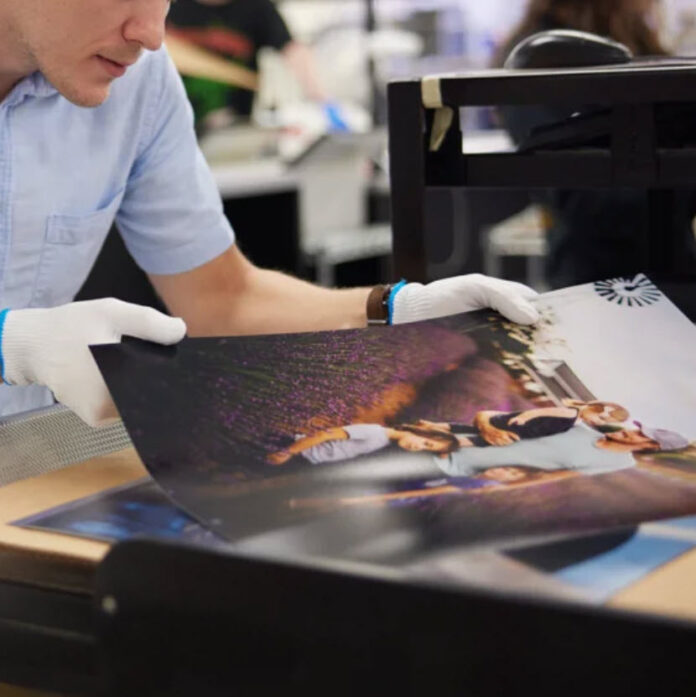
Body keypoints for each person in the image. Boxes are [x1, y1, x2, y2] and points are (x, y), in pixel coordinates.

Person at [0, 0, 539, 428]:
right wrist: (10, 344)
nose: (152, 33)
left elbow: (223, 299)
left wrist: (395, 311)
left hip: (23, 458)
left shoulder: (139, 85)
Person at [492, 0, 696, 289]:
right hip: (596, 281)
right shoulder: (542, 57)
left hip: (675, 269)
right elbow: (584, 202)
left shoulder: (638, 43)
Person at [166, 0, 331, 128]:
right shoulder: (168, 6)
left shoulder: (256, 7)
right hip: (173, 123)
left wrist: (321, 99)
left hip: (233, 126)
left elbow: (292, 49)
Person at [436, 421, 688, 479]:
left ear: (651, 446)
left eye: (640, 434)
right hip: (442, 445)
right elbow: (506, 423)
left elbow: (550, 481)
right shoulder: (577, 426)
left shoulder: (620, 465)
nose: (629, 431)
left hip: (461, 475)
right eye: (637, 427)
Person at [418, 399, 629, 447]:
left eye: (602, 422)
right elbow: (543, 411)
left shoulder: (575, 421)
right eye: (600, 417)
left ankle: (433, 427)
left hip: (525, 431)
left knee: (470, 429)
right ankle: (435, 432)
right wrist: (523, 418)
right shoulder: (570, 412)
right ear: (593, 408)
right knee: (480, 438)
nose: (597, 422)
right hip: (520, 426)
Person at [266, 423, 461, 466]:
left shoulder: (384, 442)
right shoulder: (375, 432)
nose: (419, 448)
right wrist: (287, 452)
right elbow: (325, 435)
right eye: (426, 442)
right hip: (296, 451)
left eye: (426, 449)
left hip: (305, 459)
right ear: (420, 432)